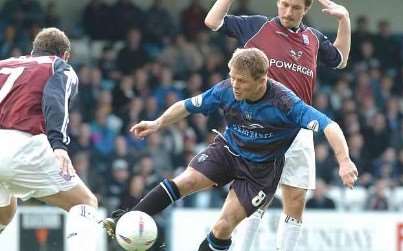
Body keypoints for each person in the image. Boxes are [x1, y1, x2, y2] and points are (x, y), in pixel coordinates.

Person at [102, 48, 358, 251]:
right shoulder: (226, 89)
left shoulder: (285, 102)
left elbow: (330, 126)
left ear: (262, 80)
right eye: (232, 77)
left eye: (242, 81)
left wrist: (344, 161)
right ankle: (127, 218)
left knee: (223, 226)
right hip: (228, 149)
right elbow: (188, 105)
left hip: (260, 171)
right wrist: (158, 122)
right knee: (186, 180)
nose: (235, 85)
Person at [204, 0, 351, 249]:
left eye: (295, 7)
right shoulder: (258, 26)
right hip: (260, 126)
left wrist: (344, 19)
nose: (288, 12)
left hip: (298, 128)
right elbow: (212, 22)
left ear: (306, 9)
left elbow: (340, 60)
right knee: (255, 199)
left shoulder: (313, 38)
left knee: (295, 198)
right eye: (284, 4)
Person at [0, 28, 98, 251]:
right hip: (21, 145)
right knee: (85, 203)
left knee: (5, 212)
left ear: (33, 51)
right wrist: (59, 145)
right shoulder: (58, 66)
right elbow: (55, 100)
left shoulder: (4, 64)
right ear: (65, 55)